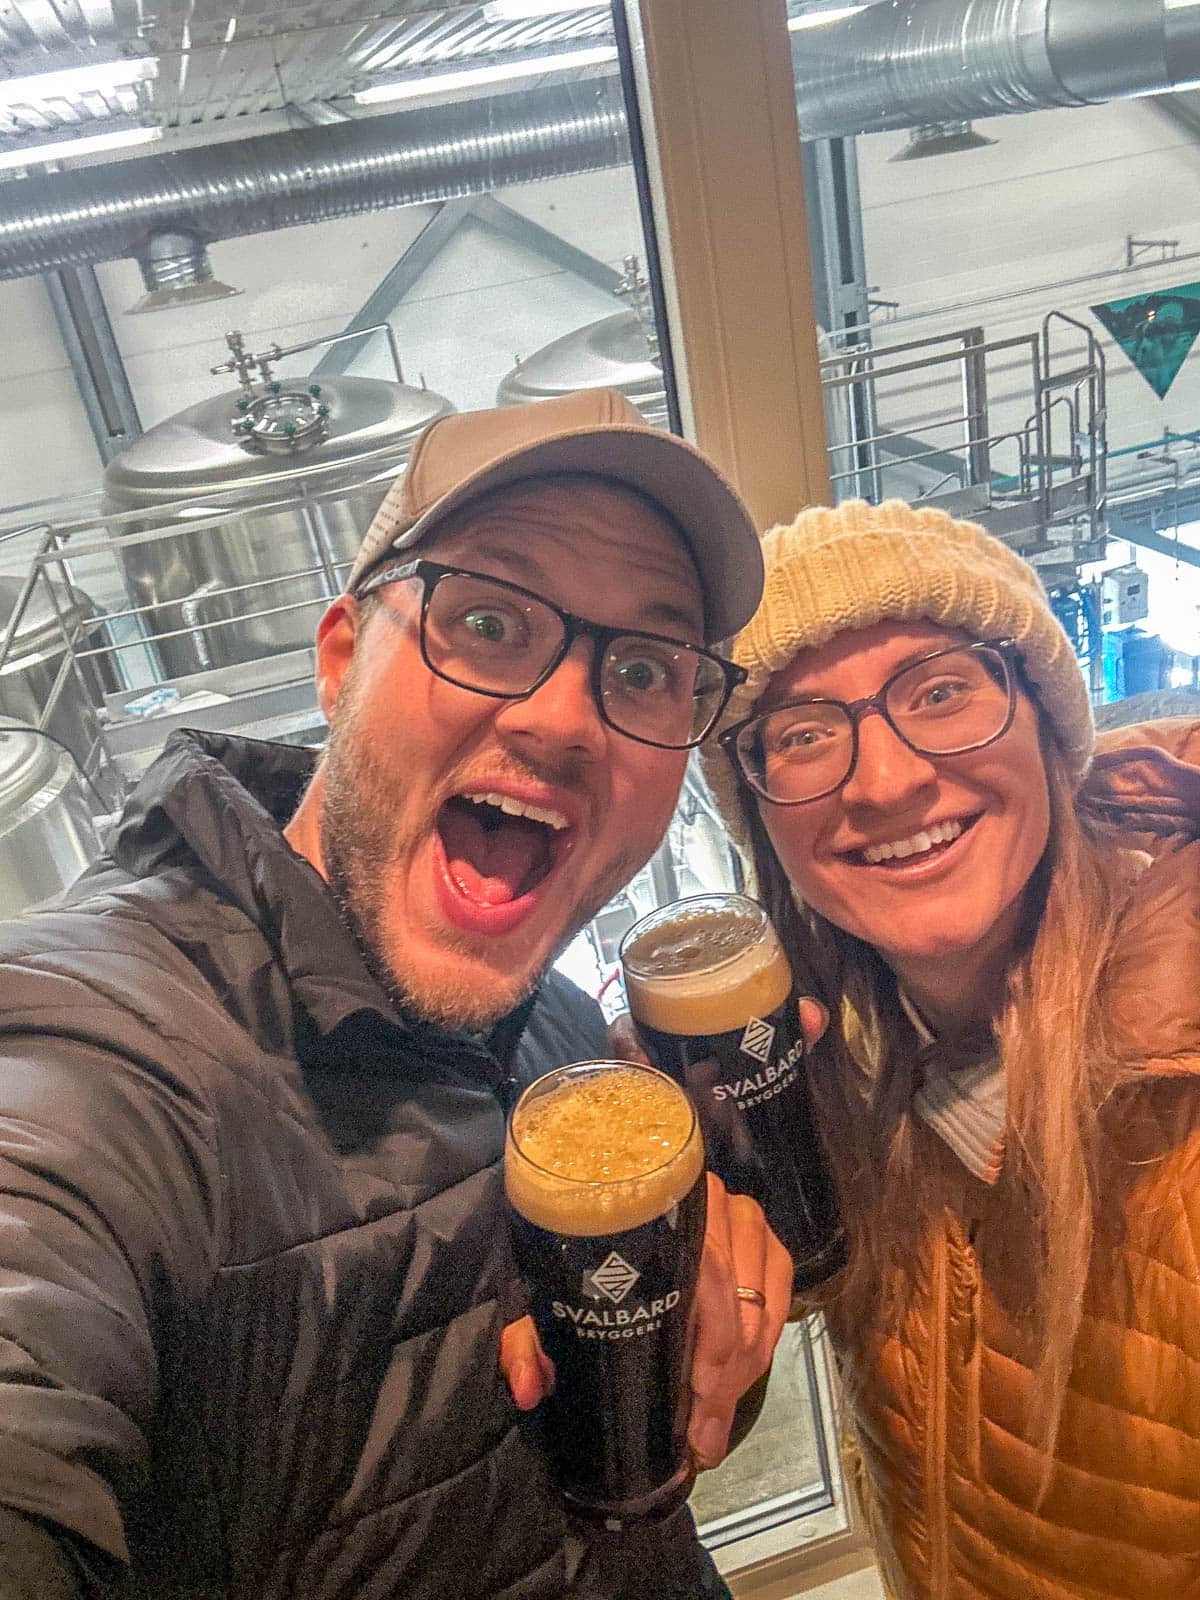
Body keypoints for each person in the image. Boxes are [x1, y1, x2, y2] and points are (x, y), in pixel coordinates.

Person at [0, 389, 799, 1599]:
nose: (564, 717)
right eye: (488, 619)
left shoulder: (559, 1030)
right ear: (338, 658)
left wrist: (696, 1380)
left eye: (644, 666)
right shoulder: (98, 1065)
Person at [701, 497, 1200, 1599]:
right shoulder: (820, 1064)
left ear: (1046, 725)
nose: (885, 781)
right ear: (765, 819)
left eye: (941, 689)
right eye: (803, 734)